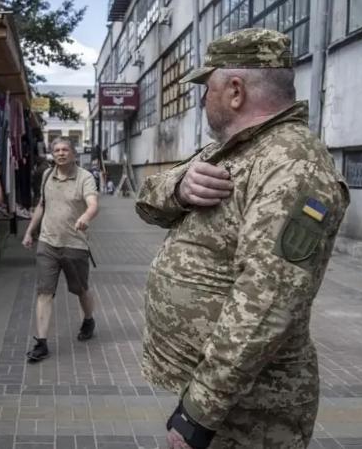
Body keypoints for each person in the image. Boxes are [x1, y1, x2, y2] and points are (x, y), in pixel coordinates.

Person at [136, 28, 350, 449]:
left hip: (250, 413)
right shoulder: (235, 150)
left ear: (235, 90)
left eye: (207, 86)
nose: (201, 99)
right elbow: (148, 199)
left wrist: (198, 412)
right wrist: (179, 186)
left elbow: (267, 302)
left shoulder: (293, 164)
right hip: (221, 394)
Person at [22, 137, 100, 362]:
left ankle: (88, 319)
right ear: (52, 154)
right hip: (47, 243)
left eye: (65, 149)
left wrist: (86, 216)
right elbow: (42, 205)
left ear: (73, 153)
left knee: (81, 290)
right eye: (56, 150)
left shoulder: (84, 177)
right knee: (44, 292)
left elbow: (93, 204)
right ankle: (41, 342)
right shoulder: (47, 175)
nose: (61, 153)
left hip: (74, 245)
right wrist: (29, 232)